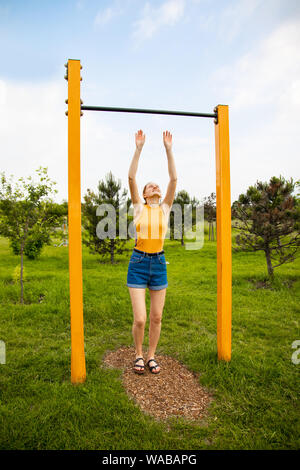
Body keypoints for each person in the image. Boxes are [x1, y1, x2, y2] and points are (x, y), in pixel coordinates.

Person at [127, 129, 177, 374]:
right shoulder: (139, 208)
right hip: (138, 263)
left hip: (158, 264)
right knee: (141, 319)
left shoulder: (165, 208)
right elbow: (131, 178)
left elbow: (174, 180)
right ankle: (137, 354)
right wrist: (139, 148)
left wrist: (168, 149)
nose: (155, 186)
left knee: (156, 317)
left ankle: (151, 356)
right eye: (150, 186)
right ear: (145, 195)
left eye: (156, 185)